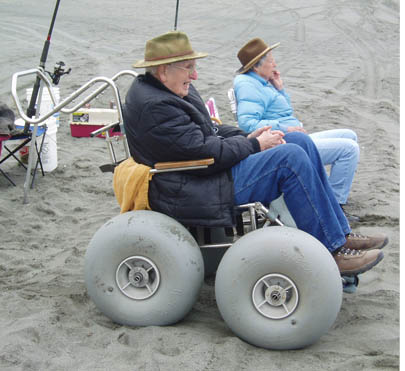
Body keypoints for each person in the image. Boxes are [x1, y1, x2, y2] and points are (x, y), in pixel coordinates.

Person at [122, 30, 387, 276]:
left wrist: (247, 137)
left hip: (207, 171)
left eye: (194, 67)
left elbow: (210, 130)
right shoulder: (157, 106)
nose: (195, 76)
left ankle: (339, 232)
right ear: (163, 71)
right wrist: (254, 146)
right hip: (196, 185)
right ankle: (332, 251)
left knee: (297, 140)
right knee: (289, 158)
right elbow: (205, 154)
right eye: (189, 68)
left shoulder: (170, 89)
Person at [233, 38, 360, 219]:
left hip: (293, 136)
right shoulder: (248, 85)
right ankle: (335, 207)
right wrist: (286, 128)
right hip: (284, 142)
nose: (275, 63)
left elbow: (282, 112)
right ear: (256, 67)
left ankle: (327, 198)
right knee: (349, 150)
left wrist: (279, 89)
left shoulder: (260, 82)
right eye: (270, 60)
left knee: (350, 135)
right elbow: (248, 124)